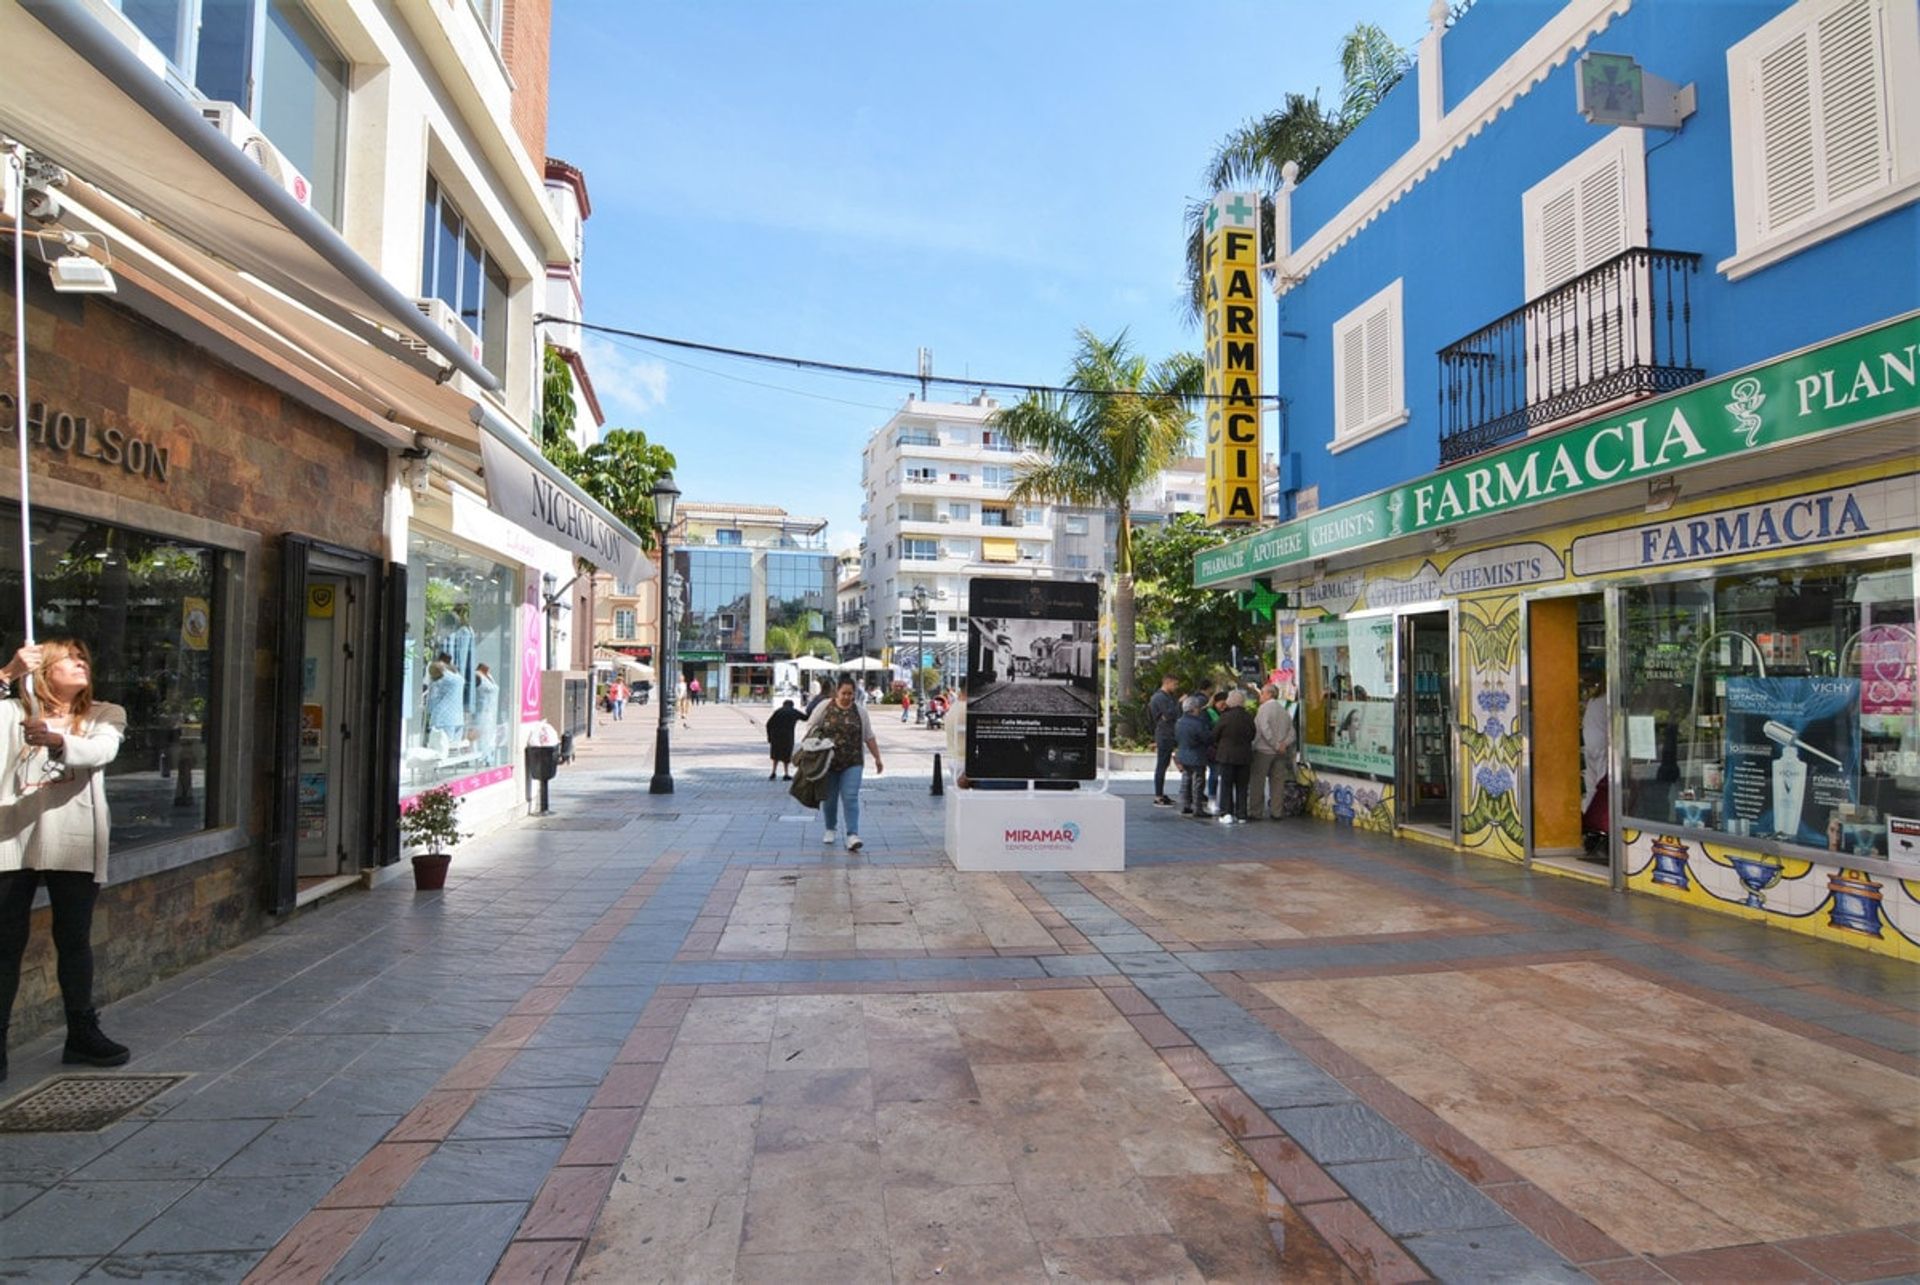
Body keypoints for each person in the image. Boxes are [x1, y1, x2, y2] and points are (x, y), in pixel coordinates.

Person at [0, 641, 130, 1079]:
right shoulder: (11, 711)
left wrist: (57, 739)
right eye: (70, 659)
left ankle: (81, 1032)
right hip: (11, 837)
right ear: (43, 669)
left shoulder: (103, 714)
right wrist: (6, 673)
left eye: (85, 660)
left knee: (73, 938)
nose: (81, 665)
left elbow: (101, 751)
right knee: (4, 944)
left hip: (73, 836)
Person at [803, 678, 884, 852]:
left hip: (853, 761)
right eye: (843, 693)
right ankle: (830, 827)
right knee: (830, 798)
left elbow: (868, 736)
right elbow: (810, 726)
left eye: (850, 693)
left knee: (850, 796)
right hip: (828, 762)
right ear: (836, 692)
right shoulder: (825, 707)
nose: (847, 697)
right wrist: (818, 741)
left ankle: (852, 834)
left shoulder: (860, 712)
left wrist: (877, 758)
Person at [1249, 684, 1297, 820]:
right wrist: (1283, 745)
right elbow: (1292, 733)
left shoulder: (1263, 709)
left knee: (1257, 782)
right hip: (1281, 753)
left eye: (1262, 693)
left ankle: (1255, 812)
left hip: (1264, 751)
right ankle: (1277, 812)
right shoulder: (1284, 710)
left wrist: (1275, 744)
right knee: (1277, 783)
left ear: (1269, 694)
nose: (1260, 695)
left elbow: (1264, 729)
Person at [1213, 690, 1256, 824]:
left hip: (1226, 756)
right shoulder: (1248, 717)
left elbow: (1215, 735)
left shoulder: (1225, 717)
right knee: (1242, 786)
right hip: (1244, 757)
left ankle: (1227, 813)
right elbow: (1253, 734)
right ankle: (1242, 814)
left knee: (1226, 785)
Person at [1174, 695, 1214, 818]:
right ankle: (1198, 808)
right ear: (1193, 709)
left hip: (1183, 754)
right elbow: (1207, 738)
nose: (1199, 710)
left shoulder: (1179, 722)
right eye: (1198, 708)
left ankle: (1186, 805)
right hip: (1196, 755)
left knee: (1186, 779)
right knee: (1198, 781)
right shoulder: (1198, 723)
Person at [1148, 673, 1182, 807]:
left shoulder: (1168, 697)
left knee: (1165, 764)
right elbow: (1169, 714)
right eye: (1174, 684)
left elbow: (1173, 715)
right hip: (1164, 734)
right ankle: (1158, 795)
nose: (1176, 687)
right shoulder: (1159, 698)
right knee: (1162, 765)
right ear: (1167, 682)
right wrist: (1179, 704)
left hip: (1170, 733)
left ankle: (1161, 794)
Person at [424, 654, 464, 740]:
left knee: (454, 751)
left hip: (457, 717)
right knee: (442, 750)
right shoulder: (437, 668)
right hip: (443, 718)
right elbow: (433, 692)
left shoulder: (453, 669)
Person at [766, 698, 802, 781]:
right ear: (792, 705)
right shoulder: (794, 712)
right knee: (786, 756)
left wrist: (769, 736)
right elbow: (805, 717)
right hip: (788, 737)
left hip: (776, 737)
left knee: (776, 755)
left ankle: (773, 772)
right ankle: (786, 774)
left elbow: (768, 724)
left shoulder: (778, 711)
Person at [471, 662, 501, 758]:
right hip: (481, 712)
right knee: (481, 738)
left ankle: (488, 757)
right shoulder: (477, 676)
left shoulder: (489, 676)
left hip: (492, 713)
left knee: (489, 738)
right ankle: (480, 758)